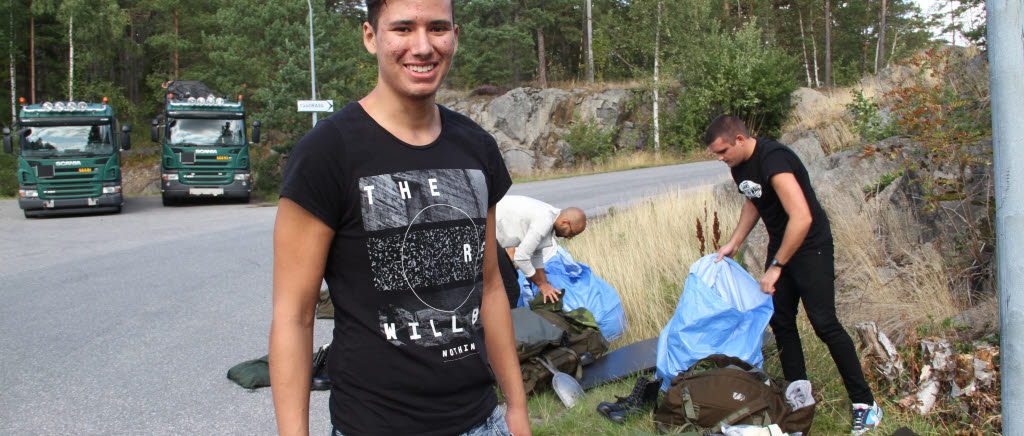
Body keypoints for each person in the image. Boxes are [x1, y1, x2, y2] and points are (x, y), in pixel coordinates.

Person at [269, 1, 530, 435]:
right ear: (372, 37)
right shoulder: (326, 153)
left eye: (438, 28)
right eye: (404, 28)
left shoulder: (476, 147)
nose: (423, 46)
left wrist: (516, 408)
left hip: (481, 422)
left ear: (455, 36)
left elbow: (488, 287)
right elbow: (293, 317)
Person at [706, 114, 882, 435]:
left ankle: (865, 404)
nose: (720, 159)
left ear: (740, 140)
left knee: (825, 324)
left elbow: (801, 218)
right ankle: (798, 399)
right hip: (782, 244)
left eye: (722, 151)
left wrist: (776, 267)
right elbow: (754, 199)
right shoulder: (739, 166)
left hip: (811, 245)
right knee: (782, 321)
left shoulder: (775, 158)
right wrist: (734, 241)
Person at [495, 195, 586, 305]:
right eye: (571, 233)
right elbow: (521, 258)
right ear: (564, 222)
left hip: (494, 236)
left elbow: (536, 254)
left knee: (509, 283)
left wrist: (545, 284)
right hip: (487, 230)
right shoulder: (545, 221)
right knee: (510, 288)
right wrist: (541, 285)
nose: (570, 237)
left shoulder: (552, 216)